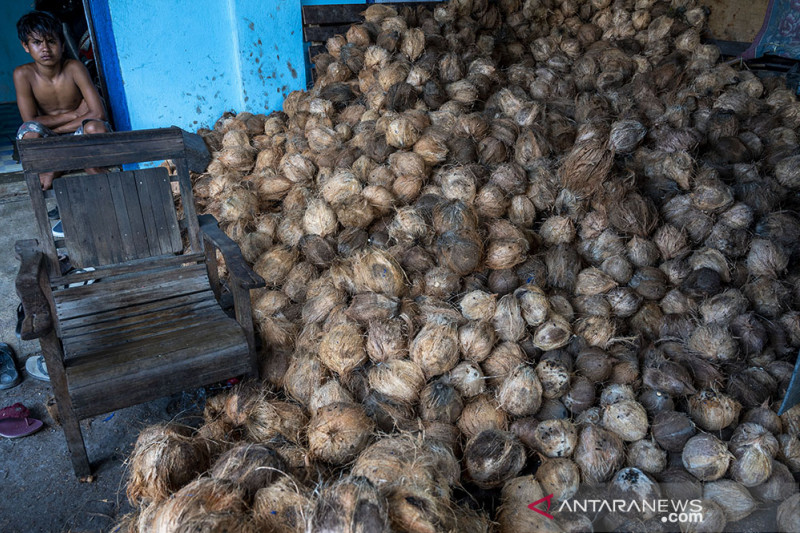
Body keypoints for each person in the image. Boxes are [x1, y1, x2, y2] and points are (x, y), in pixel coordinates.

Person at [13, 10, 111, 190]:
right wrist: (74, 114)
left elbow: (98, 113)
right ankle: (73, 162)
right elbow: (30, 121)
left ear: (63, 45)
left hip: (77, 133)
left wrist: (56, 129)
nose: (45, 49)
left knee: (95, 127)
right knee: (29, 133)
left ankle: (64, 165)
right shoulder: (23, 74)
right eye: (37, 42)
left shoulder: (74, 68)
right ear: (25, 46)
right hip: (52, 137)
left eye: (51, 41)